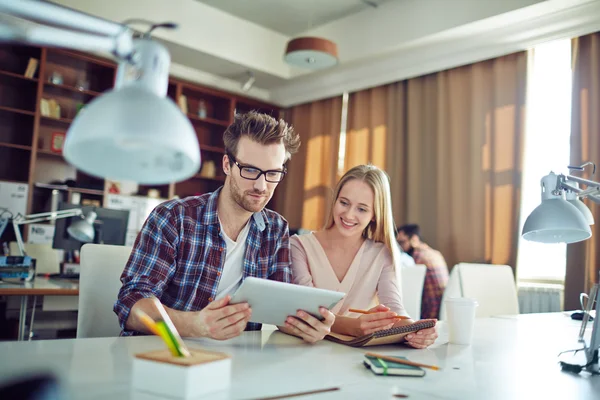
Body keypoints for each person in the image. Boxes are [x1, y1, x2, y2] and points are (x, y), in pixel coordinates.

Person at [114, 111, 335, 343]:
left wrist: (307, 325)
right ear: (227, 164)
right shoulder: (174, 218)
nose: (261, 185)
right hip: (163, 352)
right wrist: (195, 325)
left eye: (272, 173)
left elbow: (281, 312)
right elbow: (131, 303)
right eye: (250, 170)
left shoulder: (276, 229)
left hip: (236, 363)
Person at [290, 165, 438, 349]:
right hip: (302, 350)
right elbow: (306, 313)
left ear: (375, 214)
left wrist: (416, 330)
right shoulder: (299, 246)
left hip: (354, 357)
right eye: (344, 203)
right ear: (335, 201)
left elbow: (395, 312)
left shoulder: (382, 254)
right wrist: (353, 327)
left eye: (362, 209)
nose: (349, 214)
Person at [396, 224, 449, 319]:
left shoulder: (417, 257)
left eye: (402, 242)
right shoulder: (435, 253)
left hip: (428, 314)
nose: (401, 248)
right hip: (443, 310)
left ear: (414, 239)